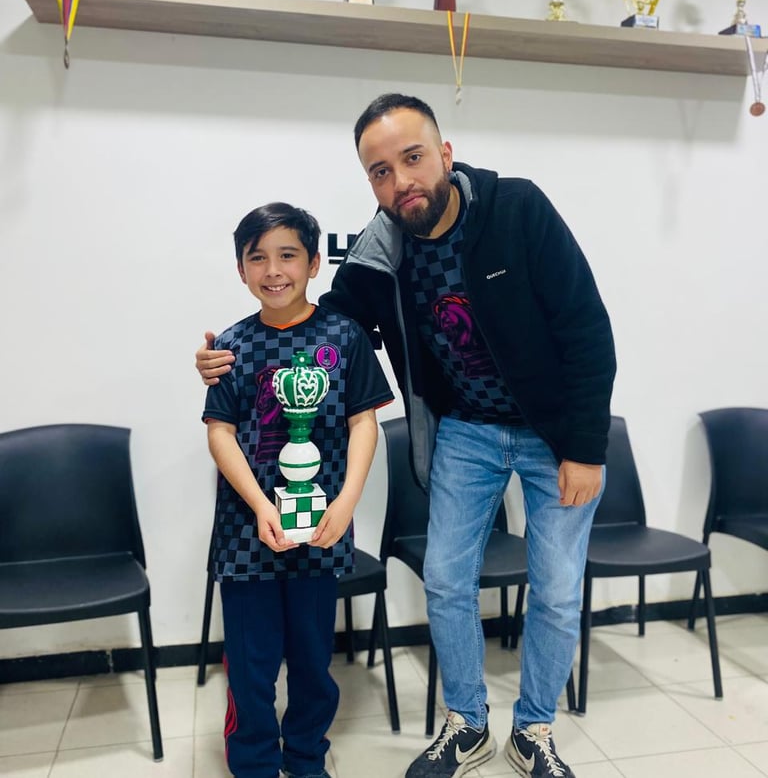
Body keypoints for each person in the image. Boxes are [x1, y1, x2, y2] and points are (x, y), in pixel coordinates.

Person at [196, 95, 616, 778]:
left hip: (554, 432)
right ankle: (468, 724)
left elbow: (586, 326)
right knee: (446, 581)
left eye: (413, 158)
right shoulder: (381, 246)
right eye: (381, 171)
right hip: (467, 431)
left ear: (445, 154)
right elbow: (326, 321)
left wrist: (586, 448)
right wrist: (227, 356)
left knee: (559, 588)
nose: (401, 181)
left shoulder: (517, 208)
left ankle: (534, 728)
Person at [202, 202, 393, 778]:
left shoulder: (345, 337)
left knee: (313, 662)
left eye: (287, 255)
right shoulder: (230, 346)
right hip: (247, 535)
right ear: (241, 269)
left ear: (313, 264)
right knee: (251, 666)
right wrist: (262, 507)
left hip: (321, 530)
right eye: (257, 257)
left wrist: (347, 502)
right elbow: (220, 434)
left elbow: (364, 422)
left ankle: (307, 759)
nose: (273, 270)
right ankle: (255, 764)